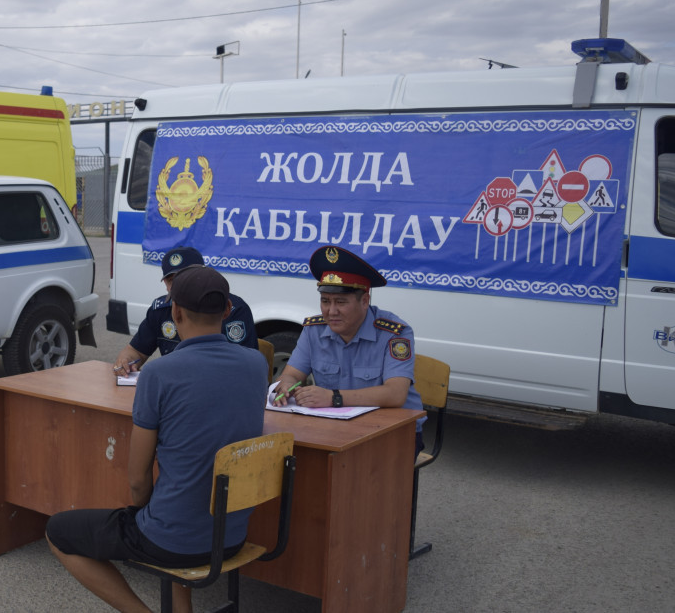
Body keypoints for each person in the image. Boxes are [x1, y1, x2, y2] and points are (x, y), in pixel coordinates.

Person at [47, 266, 267, 613]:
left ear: (175, 312)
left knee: (59, 531)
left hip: (174, 538)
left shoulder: (159, 373)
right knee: (172, 502)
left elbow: (137, 479)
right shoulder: (256, 364)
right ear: (227, 311)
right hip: (231, 536)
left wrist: (142, 513)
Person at [271, 245, 426, 457]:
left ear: (365, 301)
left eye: (340, 302)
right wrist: (286, 386)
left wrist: (333, 397)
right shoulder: (314, 330)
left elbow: (395, 394)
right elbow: (291, 373)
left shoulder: (394, 333)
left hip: (391, 433)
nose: (330, 311)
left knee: (362, 479)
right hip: (336, 428)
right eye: (325, 301)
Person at [113, 246, 257, 377]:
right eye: (171, 280)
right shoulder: (160, 309)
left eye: (185, 277)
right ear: (165, 285)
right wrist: (126, 360)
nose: (179, 286)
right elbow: (136, 350)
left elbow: (247, 366)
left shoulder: (233, 309)